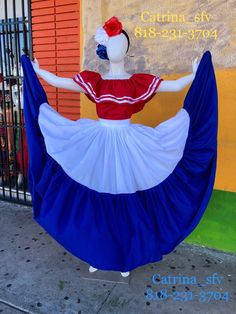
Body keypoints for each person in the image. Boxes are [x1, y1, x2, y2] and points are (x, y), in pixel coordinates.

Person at [21, 16, 218, 278]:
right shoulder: (96, 82)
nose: (117, 46)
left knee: (126, 197)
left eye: (120, 41)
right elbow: (62, 83)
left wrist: (195, 75)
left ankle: (125, 255)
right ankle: (98, 253)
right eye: (112, 41)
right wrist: (38, 73)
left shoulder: (137, 83)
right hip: (99, 140)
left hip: (128, 142)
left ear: (125, 47)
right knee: (99, 197)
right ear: (105, 50)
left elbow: (172, 86)